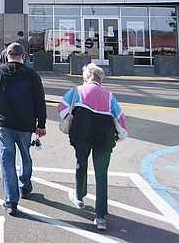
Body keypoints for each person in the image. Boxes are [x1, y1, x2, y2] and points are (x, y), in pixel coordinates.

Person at [58, 62, 129, 231]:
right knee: (101, 173)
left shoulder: (76, 91)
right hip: (104, 138)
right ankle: (100, 216)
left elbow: (62, 110)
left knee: (81, 164)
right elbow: (120, 119)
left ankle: (80, 196)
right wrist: (121, 136)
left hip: (82, 135)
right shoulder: (109, 96)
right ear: (100, 80)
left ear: (85, 78)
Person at [0, 42, 46, 217]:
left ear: (6, 55)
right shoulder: (31, 75)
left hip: (3, 122)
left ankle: (11, 200)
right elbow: (40, 101)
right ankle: (25, 186)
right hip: (25, 123)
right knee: (25, 153)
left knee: (6, 159)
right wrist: (41, 124)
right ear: (23, 56)